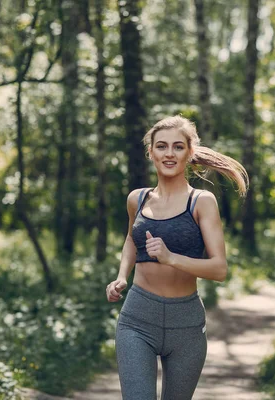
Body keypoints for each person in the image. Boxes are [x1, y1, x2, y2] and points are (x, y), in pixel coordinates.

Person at [105, 115, 248, 400]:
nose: (169, 154)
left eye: (178, 147)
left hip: (186, 324)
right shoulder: (138, 198)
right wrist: (121, 277)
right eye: (161, 146)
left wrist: (171, 258)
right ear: (151, 153)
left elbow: (219, 269)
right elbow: (131, 241)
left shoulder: (202, 202)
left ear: (189, 152)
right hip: (137, 318)